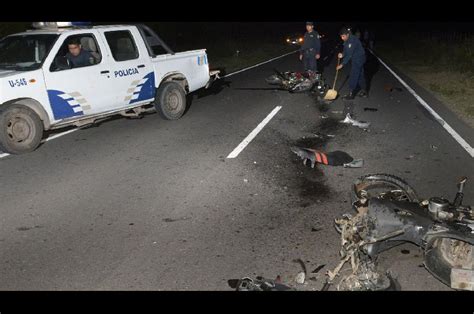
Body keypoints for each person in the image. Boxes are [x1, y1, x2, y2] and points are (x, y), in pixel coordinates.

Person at [336, 27, 367, 100]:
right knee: (360, 75)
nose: (342, 38)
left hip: (359, 59)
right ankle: (364, 91)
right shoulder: (347, 40)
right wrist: (342, 54)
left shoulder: (352, 40)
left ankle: (351, 94)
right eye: (341, 37)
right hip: (358, 57)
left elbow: (349, 55)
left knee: (354, 74)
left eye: (343, 36)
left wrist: (342, 64)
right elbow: (345, 51)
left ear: (347, 34)